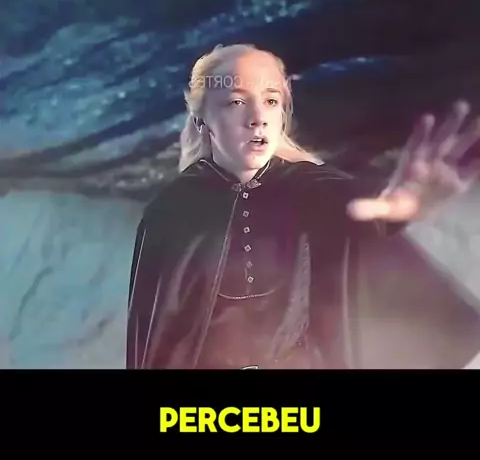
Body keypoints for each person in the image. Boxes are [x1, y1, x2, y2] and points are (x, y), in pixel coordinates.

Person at [126, 43, 480, 370]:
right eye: (235, 102)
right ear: (203, 119)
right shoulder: (170, 216)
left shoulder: (313, 193)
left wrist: (390, 211)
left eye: (270, 101)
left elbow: (343, 208)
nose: (257, 116)